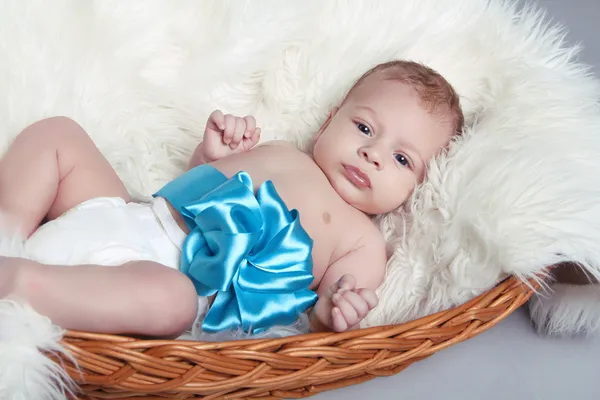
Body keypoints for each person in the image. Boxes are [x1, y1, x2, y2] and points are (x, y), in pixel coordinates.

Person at [0, 60, 463, 337]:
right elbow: (195, 187)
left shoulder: (361, 240)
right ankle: (7, 231)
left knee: (174, 302)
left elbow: (322, 315)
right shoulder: (282, 149)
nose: (372, 154)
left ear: (417, 189)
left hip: (155, 274)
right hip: (127, 213)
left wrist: (338, 307)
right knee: (58, 134)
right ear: (327, 123)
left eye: (402, 159)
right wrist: (210, 156)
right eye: (364, 128)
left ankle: (24, 282)